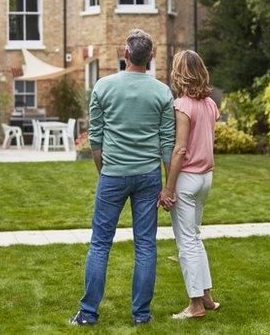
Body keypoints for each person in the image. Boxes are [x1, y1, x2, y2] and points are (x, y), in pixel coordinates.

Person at [69, 29, 175, 327]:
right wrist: (168, 185)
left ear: (125, 55)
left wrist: (104, 172)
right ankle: (141, 315)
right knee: (145, 245)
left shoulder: (103, 86)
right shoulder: (162, 91)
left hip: (113, 175)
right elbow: (168, 144)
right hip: (148, 176)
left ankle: (88, 314)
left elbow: (96, 140)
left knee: (100, 244)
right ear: (150, 57)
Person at [159, 49, 221, 319]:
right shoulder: (210, 104)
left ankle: (195, 305)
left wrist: (168, 188)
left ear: (179, 74)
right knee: (195, 237)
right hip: (206, 178)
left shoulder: (183, 105)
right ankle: (207, 297)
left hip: (187, 180)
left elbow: (180, 150)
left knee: (187, 242)